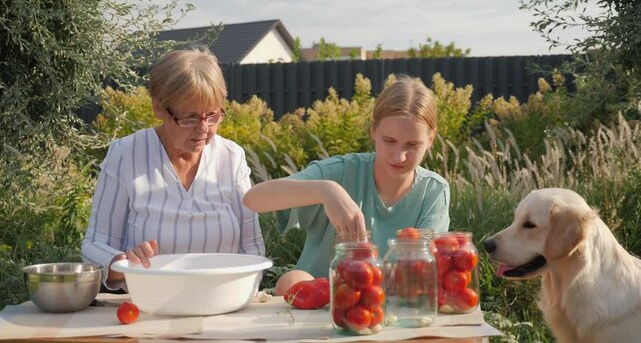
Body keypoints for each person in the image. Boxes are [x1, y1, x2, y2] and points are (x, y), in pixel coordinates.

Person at [81, 47, 265, 291]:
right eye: (189, 119)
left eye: (212, 116)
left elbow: (253, 249)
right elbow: (94, 246)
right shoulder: (126, 154)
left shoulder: (231, 158)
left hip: (221, 304)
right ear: (159, 108)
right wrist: (121, 263)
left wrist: (240, 293)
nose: (203, 129)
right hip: (148, 308)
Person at [243, 75, 449, 279]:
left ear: (430, 139)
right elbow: (253, 199)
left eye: (412, 145)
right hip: (316, 301)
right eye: (389, 140)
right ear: (374, 131)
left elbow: (423, 271)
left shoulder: (434, 191)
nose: (399, 156)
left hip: (393, 305)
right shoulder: (340, 172)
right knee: (293, 279)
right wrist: (326, 191)